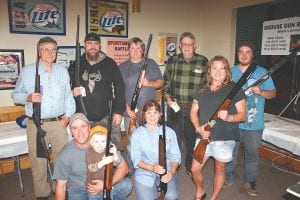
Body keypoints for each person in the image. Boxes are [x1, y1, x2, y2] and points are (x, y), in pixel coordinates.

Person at [11, 37, 75, 200]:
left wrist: (68, 116)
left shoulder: (62, 70)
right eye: (45, 49)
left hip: (59, 123)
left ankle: (60, 189)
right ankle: (42, 193)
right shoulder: (27, 71)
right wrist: (28, 97)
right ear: (39, 52)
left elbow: (68, 96)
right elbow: (15, 95)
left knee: (62, 160)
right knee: (38, 161)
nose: (50, 52)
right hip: (36, 124)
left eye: (53, 49)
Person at [190, 55, 246, 200]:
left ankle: (213, 198)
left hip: (225, 136)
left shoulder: (235, 88)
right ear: (209, 70)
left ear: (227, 71)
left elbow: (242, 115)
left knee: (219, 170)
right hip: (203, 135)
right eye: (215, 68)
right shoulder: (201, 89)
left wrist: (229, 117)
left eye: (222, 68)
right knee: (195, 170)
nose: (218, 71)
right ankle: (200, 191)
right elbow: (193, 111)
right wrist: (198, 128)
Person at [225, 41, 276, 196]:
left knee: (252, 154)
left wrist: (261, 92)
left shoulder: (262, 72)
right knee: (230, 152)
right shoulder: (230, 72)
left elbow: (273, 93)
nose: (244, 54)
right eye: (241, 51)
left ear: (253, 55)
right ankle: (227, 177)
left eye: (248, 52)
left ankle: (250, 181)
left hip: (255, 123)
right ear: (237, 54)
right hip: (234, 121)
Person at [53, 113, 132, 200]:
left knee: (126, 185)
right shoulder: (64, 155)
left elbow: (124, 168)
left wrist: (106, 184)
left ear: (89, 128)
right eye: (75, 128)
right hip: (79, 190)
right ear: (71, 132)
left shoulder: (102, 142)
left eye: (83, 126)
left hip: (103, 182)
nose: (80, 131)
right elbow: (61, 186)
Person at [69, 32, 126, 147]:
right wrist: (71, 92)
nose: (93, 46)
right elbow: (67, 89)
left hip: (107, 115)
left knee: (113, 149)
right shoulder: (76, 64)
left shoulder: (110, 63)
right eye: (89, 43)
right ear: (85, 45)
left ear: (100, 46)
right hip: (84, 117)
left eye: (96, 43)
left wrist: (119, 111)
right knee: (87, 150)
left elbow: (120, 87)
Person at [164, 32, 208, 174]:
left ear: (195, 46)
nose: (187, 47)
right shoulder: (172, 60)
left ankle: (189, 165)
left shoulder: (203, 61)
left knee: (191, 139)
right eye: (184, 44)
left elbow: (208, 85)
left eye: (190, 44)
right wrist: (168, 100)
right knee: (173, 137)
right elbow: (166, 84)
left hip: (193, 109)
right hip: (174, 107)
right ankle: (174, 166)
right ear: (179, 46)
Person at [131, 99, 181, 200]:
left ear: (160, 114)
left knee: (171, 196)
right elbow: (136, 159)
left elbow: (175, 155)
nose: (152, 116)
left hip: (166, 170)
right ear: (144, 114)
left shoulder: (170, 132)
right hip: (144, 171)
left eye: (155, 112)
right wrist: (152, 168)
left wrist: (171, 172)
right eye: (149, 113)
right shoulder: (137, 133)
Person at [119, 36, 164, 134]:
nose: (135, 51)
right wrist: (127, 109)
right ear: (128, 50)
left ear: (143, 50)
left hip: (150, 112)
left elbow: (161, 83)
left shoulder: (151, 63)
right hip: (130, 113)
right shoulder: (122, 67)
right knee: (132, 142)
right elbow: (119, 91)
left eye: (138, 48)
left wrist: (149, 83)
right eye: (132, 48)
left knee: (151, 140)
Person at [86, 125, 124, 200]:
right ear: (90, 142)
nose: (100, 144)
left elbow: (117, 164)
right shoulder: (89, 153)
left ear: (107, 142)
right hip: (93, 188)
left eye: (103, 141)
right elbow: (91, 168)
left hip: (108, 185)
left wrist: (115, 154)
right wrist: (102, 162)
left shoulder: (108, 151)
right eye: (96, 141)